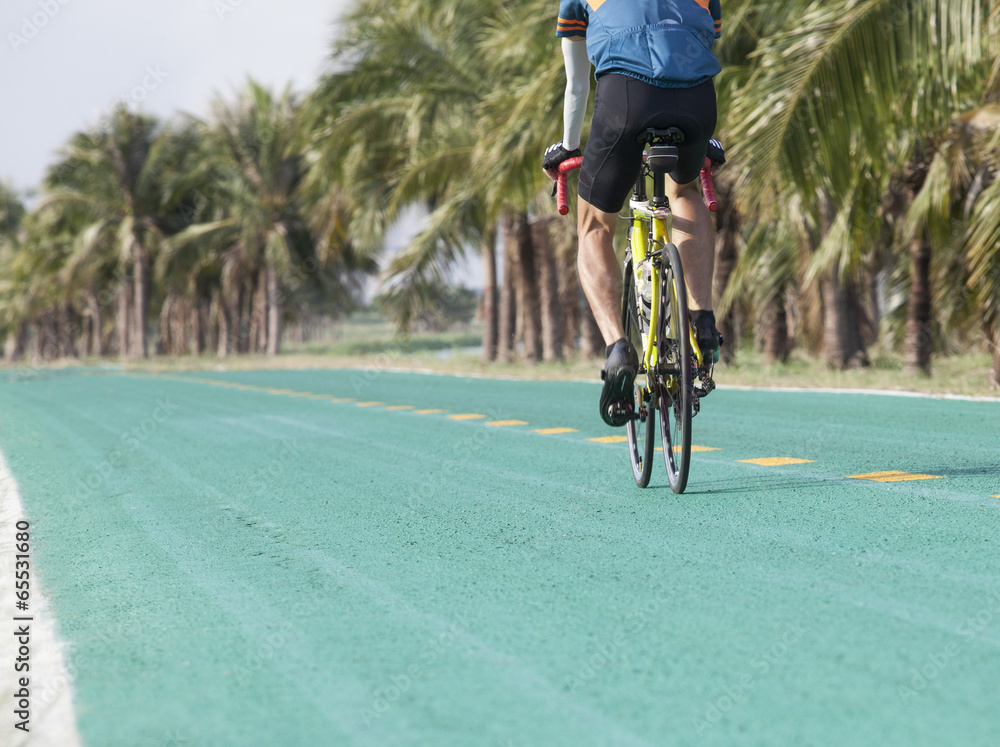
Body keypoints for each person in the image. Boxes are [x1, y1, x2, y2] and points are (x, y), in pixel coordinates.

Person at [543, 0, 724, 427]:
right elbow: (696, 49)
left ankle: (618, 349)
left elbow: (577, 85)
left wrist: (569, 148)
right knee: (685, 191)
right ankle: (702, 319)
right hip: (697, 102)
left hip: (627, 97)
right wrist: (707, 138)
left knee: (593, 225)